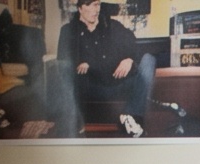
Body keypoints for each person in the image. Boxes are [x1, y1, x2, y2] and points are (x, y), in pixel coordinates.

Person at [57, 0, 158, 136]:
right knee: (66, 68)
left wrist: (129, 60)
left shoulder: (113, 26)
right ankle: (73, 121)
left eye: (98, 4)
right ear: (80, 8)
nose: (96, 9)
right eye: (91, 5)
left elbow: (136, 46)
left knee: (149, 59)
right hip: (91, 88)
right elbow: (63, 62)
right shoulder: (68, 31)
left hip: (118, 83)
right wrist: (92, 65)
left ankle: (130, 116)